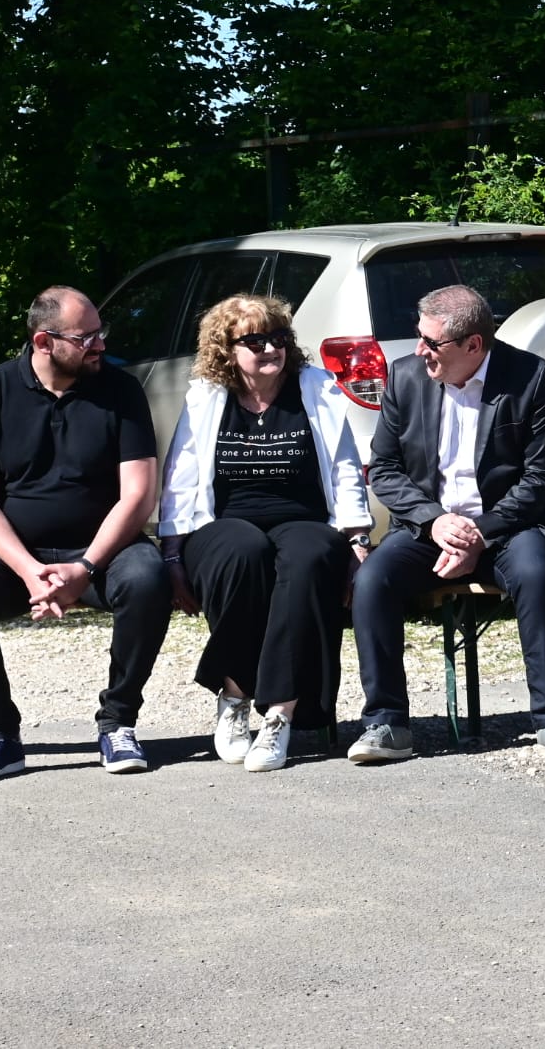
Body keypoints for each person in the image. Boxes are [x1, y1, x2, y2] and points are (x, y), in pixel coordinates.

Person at [0, 286, 172, 782]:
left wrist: (85, 567)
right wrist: (29, 570)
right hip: (17, 552)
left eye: (101, 333)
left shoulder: (122, 390)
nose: (100, 346)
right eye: (86, 338)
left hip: (105, 548)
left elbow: (138, 494)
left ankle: (118, 722)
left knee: (148, 579)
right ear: (44, 342)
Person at [347, 285, 545, 764]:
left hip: (508, 526)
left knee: (535, 573)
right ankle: (386, 723)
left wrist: (480, 533)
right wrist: (435, 522)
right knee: (372, 580)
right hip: (430, 528)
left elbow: (541, 477)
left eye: (431, 342)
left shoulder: (530, 376)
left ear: (474, 345)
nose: (420, 350)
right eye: (419, 337)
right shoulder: (406, 376)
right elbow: (385, 470)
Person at [158, 294, 371, 772]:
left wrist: (358, 538)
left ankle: (279, 714)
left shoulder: (315, 388)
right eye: (255, 342)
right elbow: (181, 477)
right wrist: (172, 555)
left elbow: (344, 465)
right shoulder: (207, 397)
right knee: (244, 551)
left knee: (309, 557)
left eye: (278, 338)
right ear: (227, 349)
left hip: (305, 518)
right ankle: (235, 697)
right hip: (224, 523)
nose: (271, 348)